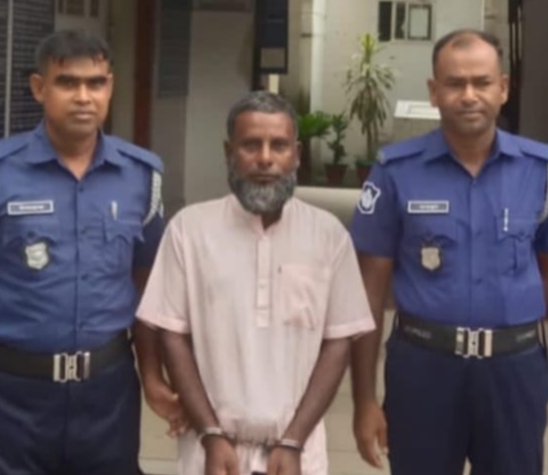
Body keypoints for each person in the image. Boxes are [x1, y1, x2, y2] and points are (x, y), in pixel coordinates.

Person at [0, 30, 186, 475]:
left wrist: (152, 376)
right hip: (7, 401)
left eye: (95, 83)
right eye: (68, 82)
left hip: (107, 398)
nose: (84, 97)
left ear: (110, 87)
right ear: (39, 88)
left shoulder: (142, 176)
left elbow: (148, 288)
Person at [348, 29, 548, 475]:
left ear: (503, 88)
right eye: (455, 83)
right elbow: (368, 294)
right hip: (423, 370)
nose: (469, 95)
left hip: (514, 370)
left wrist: (504, 312)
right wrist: (364, 400)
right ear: (434, 92)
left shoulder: (542, 171)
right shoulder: (395, 172)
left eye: (482, 82)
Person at [136, 90, 375, 475]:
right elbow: (172, 334)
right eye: (251, 145)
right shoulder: (189, 231)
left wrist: (294, 440)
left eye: (278, 145)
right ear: (229, 152)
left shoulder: (329, 236)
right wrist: (210, 434)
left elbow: (338, 340)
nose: (265, 158)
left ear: (297, 154)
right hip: (212, 454)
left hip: (297, 454)